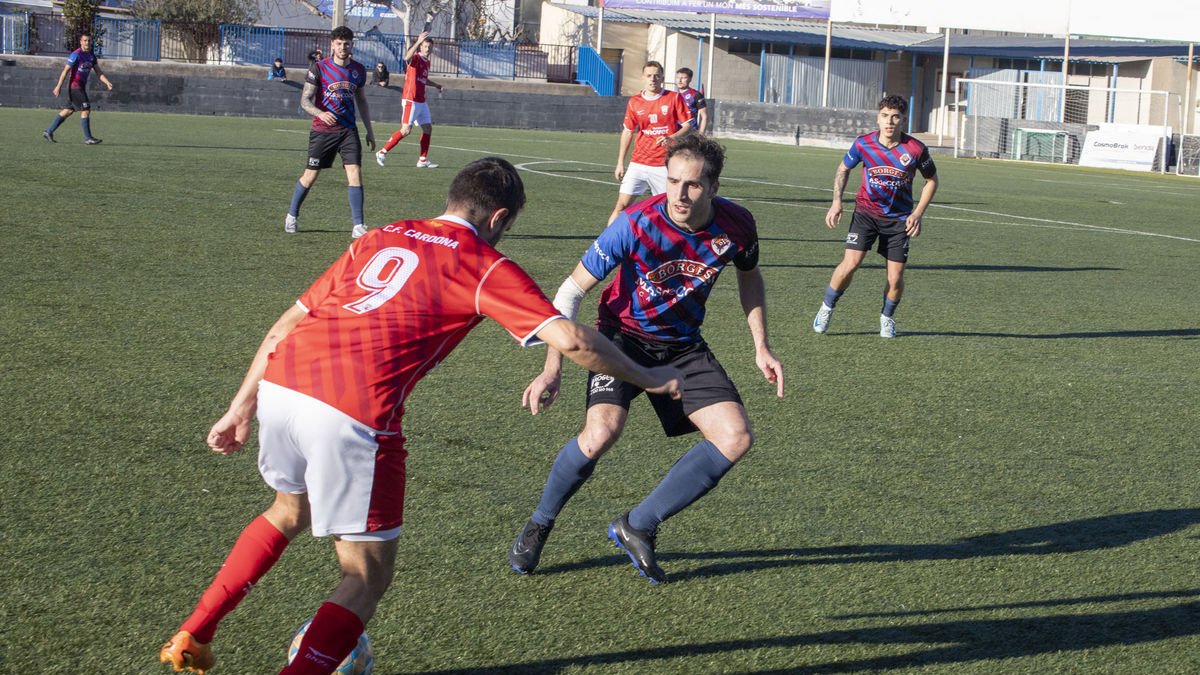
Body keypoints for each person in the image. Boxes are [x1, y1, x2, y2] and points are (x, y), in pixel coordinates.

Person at [158, 156, 684, 675]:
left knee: (289, 511)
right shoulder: (484, 263)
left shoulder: (382, 235)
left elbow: (288, 323)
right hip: (352, 412)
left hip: (283, 385)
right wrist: (649, 378)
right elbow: (570, 338)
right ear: (499, 219)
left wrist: (240, 404)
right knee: (366, 577)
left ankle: (194, 634)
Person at [508, 134, 784, 585]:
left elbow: (749, 278)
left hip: (683, 345)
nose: (678, 194)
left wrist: (761, 346)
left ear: (713, 187)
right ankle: (540, 522)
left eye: (692, 185)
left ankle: (638, 524)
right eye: (672, 181)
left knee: (735, 437)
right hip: (620, 341)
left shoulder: (737, 225)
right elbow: (570, 291)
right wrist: (551, 367)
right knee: (601, 433)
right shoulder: (636, 222)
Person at [812, 94, 939, 338]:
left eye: (895, 117)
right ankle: (826, 308)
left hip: (899, 220)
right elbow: (843, 169)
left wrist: (918, 213)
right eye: (885, 116)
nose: (889, 122)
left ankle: (887, 318)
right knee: (850, 265)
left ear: (903, 120)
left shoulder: (915, 149)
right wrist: (837, 201)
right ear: (878, 118)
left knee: (895, 277)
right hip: (866, 213)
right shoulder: (863, 144)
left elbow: (931, 180)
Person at [285, 26, 375, 239]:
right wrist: (320, 114)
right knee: (310, 176)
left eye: (346, 43)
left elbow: (361, 100)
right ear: (332, 45)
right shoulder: (319, 68)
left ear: (352, 45)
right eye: (339, 43)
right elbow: (305, 100)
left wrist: (369, 131)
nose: (343, 47)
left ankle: (358, 225)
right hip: (323, 131)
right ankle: (292, 216)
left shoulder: (358, 70)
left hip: (348, 131)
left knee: (355, 173)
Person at [608, 61, 693, 225]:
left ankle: (666, 246)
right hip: (638, 163)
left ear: (662, 77)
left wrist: (672, 137)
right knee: (621, 206)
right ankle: (606, 246)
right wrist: (620, 163)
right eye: (649, 76)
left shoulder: (673, 98)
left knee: (668, 211)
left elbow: (688, 125)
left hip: (663, 164)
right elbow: (628, 131)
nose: (652, 79)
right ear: (643, 78)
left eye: (656, 75)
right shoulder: (634, 101)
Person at [375, 32, 445, 169]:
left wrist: (436, 85)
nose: (427, 49)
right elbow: (406, 57)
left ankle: (423, 160)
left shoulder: (427, 62)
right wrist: (418, 41)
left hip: (421, 100)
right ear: (420, 47)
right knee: (406, 130)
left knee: (427, 128)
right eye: (425, 46)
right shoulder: (416, 58)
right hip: (410, 99)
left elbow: (423, 79)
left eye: (429, 47)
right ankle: (382, 152)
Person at [43, 34, 113, 145]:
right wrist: (58, 86)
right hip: (75, 87)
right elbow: (65, 71)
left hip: (81, 87)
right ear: (80, 42)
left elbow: (99, 72)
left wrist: (107, 82)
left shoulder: (91, 56)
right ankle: (88, 138)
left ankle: (48, 131)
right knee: (86, 108)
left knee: (68, 111)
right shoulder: (76, 54)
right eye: (85, 40)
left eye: (89, 41)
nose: (87, 43)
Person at [675, 67, 708, 135]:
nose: (680, 80)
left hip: (690, 133)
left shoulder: (695, 94)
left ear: (690, 79)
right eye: (678, 78)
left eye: (683, 78)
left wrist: (701, 134)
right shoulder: (673, 95)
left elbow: (704, 116)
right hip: (675, 132)